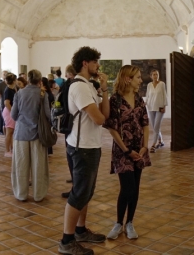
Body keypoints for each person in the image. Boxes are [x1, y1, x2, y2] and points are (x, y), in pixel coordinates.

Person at [58, 46, 109, 255]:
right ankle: (66, 241)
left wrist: (105, 90)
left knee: (86, 192)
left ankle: (80, 231)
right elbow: (99, 119)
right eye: (95, 61)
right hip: (82, 148)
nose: (98, 65)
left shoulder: (89, 85)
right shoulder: (79, 87)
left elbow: (104, 114)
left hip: (90, 145)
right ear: (85, 63)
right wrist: (101, 113)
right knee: (79, 193)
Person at [103, 65, 151, 240]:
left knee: (135, 187)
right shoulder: (115, 100)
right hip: (123, 150)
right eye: (138, 77)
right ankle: (118, 223)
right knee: (127, 187)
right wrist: (126, 150)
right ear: (127, 79)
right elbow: (112, 128)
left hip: (139, 148)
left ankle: (130, 222)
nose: (141, 80)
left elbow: (145, 123)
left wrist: (145, 146)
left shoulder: (138, 98)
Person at [11, 69, 50, 202]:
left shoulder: (19, 93)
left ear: (28, 79)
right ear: (40, 81)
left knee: (20, 165)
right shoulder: (42, 94)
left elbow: (13, 115)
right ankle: (39, 194)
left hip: (21, 133)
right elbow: (47, 114)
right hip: (38, 134)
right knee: (39, 166)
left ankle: (21, 194)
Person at [61, 64, 77, 198]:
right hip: (74, 123)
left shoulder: (68, 85)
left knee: (71, 153)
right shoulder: (77, 85)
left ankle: (75, 185)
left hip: (69, 122)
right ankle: (75, 181)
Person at [145, 69, 167, 153]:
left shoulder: (162, 84)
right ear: (151, 76)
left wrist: (164, 106)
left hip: (159, 107)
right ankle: (161, 141)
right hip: (150, 107)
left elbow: (164, 95)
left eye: (157, 74)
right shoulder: (149, 85)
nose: (155, 76)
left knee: (156, 126)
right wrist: (146, 102)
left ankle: (153, 144)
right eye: (154, 74)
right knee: (154, 126)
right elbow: (147, 95)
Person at [2, 73, 17, 157]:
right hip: (9, 111)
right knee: (9, 131)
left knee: (11, 131)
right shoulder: (8, 90)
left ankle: (12, 149)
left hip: (11, 110)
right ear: (14, 80)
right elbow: (6, 103)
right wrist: (12, 111)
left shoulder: (12, 89)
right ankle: (7, 150)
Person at [41, 77, 55, 155]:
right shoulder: (49, 93)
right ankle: (49, 150)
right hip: (49, 113)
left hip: (47, 114)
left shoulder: (45, 93)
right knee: (47, 132)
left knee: (46, 132)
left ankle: (47, 149)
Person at [0, 70, 8, 135]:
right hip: (3, 105)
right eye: (4, 74)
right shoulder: (0, 84)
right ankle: (1, 131)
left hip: (11, 105)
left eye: (6, 74)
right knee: (3, 119)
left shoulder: (13, 85)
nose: (5, 75)